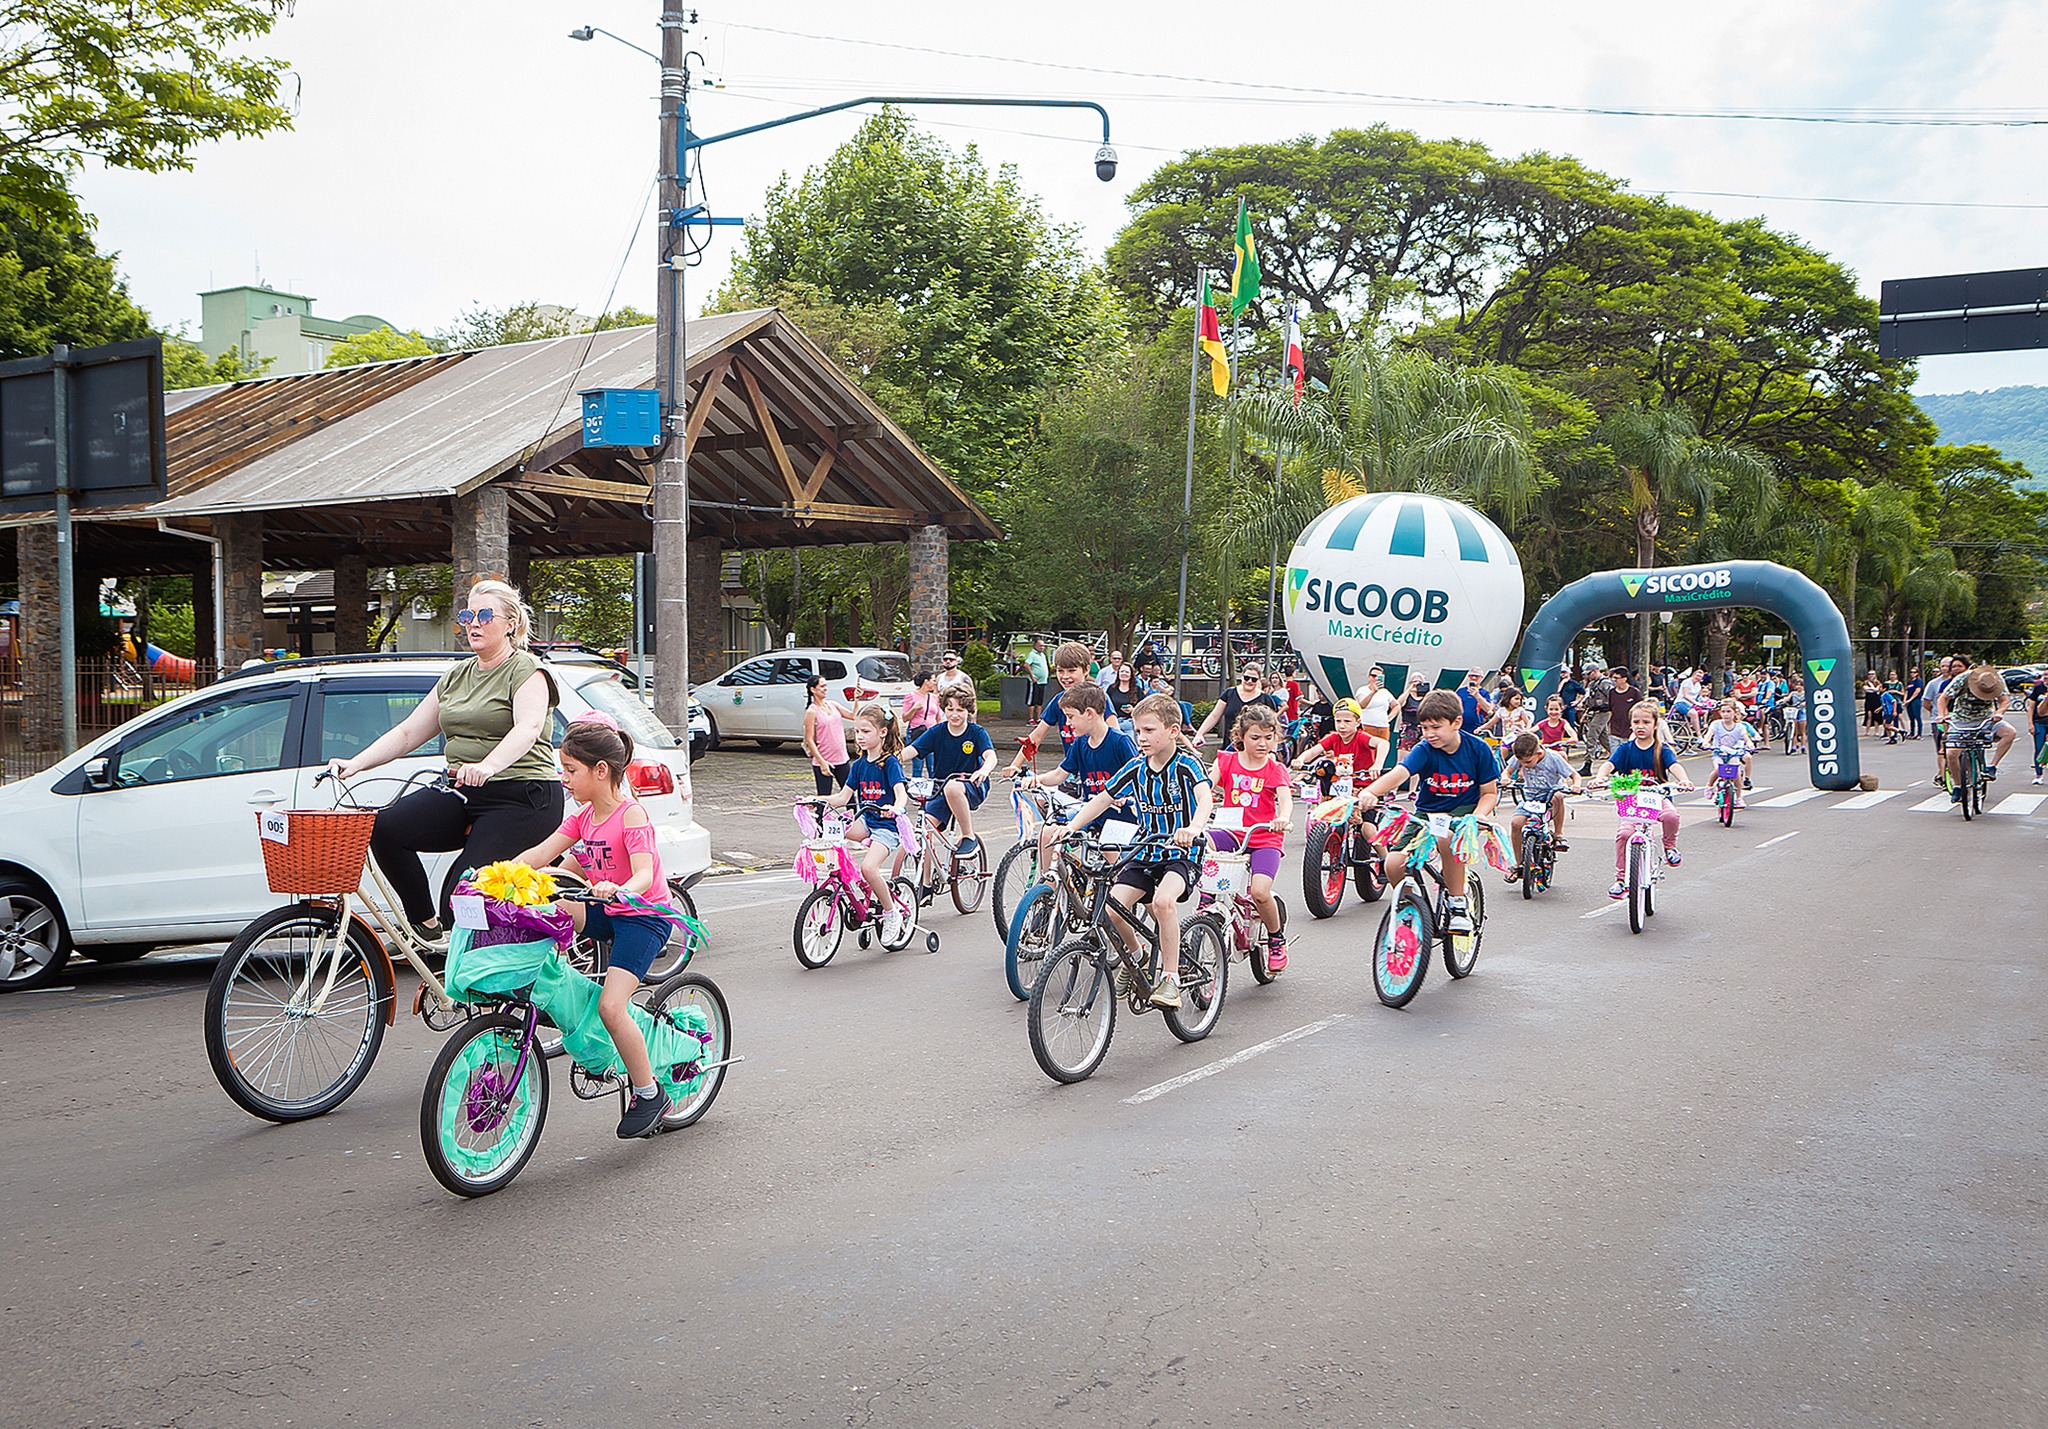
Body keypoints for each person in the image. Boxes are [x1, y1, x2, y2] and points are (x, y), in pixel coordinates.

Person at [330, 578, 562, 937]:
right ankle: (426, 929)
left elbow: (528, 728)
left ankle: (471, 977)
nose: (473, 623)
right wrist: (355, 763)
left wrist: (488, 765)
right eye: (468, 614)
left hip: (522, 796)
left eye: (485, 615)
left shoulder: (527, 670)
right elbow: (408, 733)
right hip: (463, 790)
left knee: (462, 893)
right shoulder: (456, 676)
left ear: (511, 623)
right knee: (385, 828)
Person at [510, 714, 675, 1138]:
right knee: (552, 906)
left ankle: (649, 1093)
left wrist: (616, 888)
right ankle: (554, 979)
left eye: (570, 770)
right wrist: (499, 874)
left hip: (642, 917)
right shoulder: (584, 817)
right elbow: (541, 853)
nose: (562, 778)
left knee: (611, 1007)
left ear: (600, 771)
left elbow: (642, 874)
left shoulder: (631, 815)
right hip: (607, 909)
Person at [1053, 693, 1214, 1009]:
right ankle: (1138, 957)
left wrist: (1193, 828)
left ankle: (1170, 979)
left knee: (1163, 901)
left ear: (1172, 730)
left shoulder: (1187, 764)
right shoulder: (1136, 767)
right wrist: (1071, 828)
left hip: (1181, 853)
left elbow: (1204, 798)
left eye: (1149, 730)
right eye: (1138, 731)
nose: (1141, 738)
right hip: (1146, 850)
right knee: (1112, 910)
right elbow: (1102, 799)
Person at [1355, 689, 1499, 935]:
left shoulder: (1478, 749)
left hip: (1463, 813)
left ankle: (1457, 903)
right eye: (1424, 728)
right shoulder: (1424, 749)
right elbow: (1401, 772)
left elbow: (1489, 793)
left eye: (1436, 727)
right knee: (1393, 863)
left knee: (1447, 839)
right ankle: (1411, 908)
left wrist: (1480, 815)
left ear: (1457, 723)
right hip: (1427, 814)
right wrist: (1370, 792)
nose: (1429, 734)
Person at [1017, 683, 1139, 873]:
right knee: (1048, 832)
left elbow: (1140, 779)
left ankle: (1120, 889)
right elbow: (1059, 774)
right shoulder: (1080, 743)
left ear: (1089, 713)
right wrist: (1037, 780)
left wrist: (1126, 798)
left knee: (1111, 854)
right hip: (1089, 809)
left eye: (1071, 717)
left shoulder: (1120, 742)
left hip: (1118, 813)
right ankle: (1047, 887)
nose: (1068, 723)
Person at [1208, 703, 1294, 972]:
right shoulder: (1226, 760)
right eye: (1255, 737)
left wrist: (1283, 818)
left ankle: (1276, 939)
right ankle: (1207, 903)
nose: (1263, 743)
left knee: (1259, 891)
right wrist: (1199, 804)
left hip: (1264, 836)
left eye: (1269, 738)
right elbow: (1204, 787)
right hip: (1230, 832)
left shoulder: (1275, 768)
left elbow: (1286, 801)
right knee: (1203, 843)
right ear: (1241, 737)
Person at [824, 702, 912, 942]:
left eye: (865, 732)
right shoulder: (860, 765)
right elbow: (843, 797)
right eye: (857, 732)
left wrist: (896, 807)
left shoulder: (889, 763)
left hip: (887, 828)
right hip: (866, 822)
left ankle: (891, 912)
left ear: (882, 732)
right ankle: (854, 888)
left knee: (869, 868)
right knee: (832, 832)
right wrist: (815, 800)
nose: (859, 737)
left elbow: (901, 793)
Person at [1595, 701, 1694, 898]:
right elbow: (1608, 765)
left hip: (1657, 797)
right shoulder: (1625, 749)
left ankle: (1670, 847)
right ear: (1631, 724)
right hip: (1631, 801)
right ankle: (1621, 879)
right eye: (1636, 722)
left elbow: (1674, 766)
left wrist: (1683, 780)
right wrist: (1600, 778)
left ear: (1655, 724)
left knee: (1671, 816)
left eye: (1646, 722)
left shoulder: (1662, 749)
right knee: (1624, 834)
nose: (1641, 726)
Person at [909, 683, 996, 862]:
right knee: (924, 829)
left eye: (960, 710)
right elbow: (912, 750)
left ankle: (968, 836)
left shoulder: (976, 732)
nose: (954, 714)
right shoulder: (937, 731)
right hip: (941, 788)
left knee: (953, 787)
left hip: (972, 785)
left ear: (968, 711)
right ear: (943, 710)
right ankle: (925, 884)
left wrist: (984, 770)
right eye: (950, 709)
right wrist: (887, 759)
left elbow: (990, 756)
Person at [1005, 640, 1095, 776]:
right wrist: (1015, 765)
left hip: (1098, 771)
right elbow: (1037, 735)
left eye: (1071, 671)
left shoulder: (1098, 698)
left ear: (1086, 670)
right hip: (1071, 771)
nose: (1065, 676)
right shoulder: (1058, 701)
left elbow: (1114, 734)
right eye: (1060, 671)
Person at [1936, 664, 2019, 798]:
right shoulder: (1963, 678)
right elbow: (1943, 698)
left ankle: (1992, 766)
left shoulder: (1997, 680)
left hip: (1986, 719)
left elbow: (2004, 701)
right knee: (1951, 752)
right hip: (1961, 720)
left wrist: (1999, 712)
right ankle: (1957, 786)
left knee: (2010, 733)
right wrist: (1941, 715)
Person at [1504, 731, 1578, 877]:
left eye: (1527, 762)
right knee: (1516, 824)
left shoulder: (1553, 758)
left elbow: (1575, 775)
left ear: (1538, 753)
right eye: (1522, 763)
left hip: (1549, 796)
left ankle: (1558, 834)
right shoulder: (1522, 756)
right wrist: (1505, 778)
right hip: (1530, 798)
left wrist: (1575, 785)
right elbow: (1507, 771)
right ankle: (1518, 864)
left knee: (1558, 796)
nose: (1525, 766)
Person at [1290, 698, 1383, 796]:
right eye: (1338, 721)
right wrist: (1300, 759)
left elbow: (1383, 744)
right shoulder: (1334, 738)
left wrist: (1377, 765)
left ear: (1358, 722)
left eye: (1347, 721)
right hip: (1341, 787)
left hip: (1365, 786)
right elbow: (1313, 752)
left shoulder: (1361, 737)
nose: (1342, 726)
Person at [1192, 661, 1281, 750]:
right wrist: (1200, 734)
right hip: (1230, 746)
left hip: (1256, 749)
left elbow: (1274, 727)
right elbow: (1214, 716)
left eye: (1253, 679)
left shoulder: (1265, 699)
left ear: (1259, 680)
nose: (1249, 681)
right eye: (1246, 678)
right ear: (1242, 676)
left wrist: (1273, 751)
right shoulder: (1229, 693)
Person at [803, 674, 857, 796]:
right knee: (824, 797)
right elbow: (809, 739)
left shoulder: (833, 705)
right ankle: (819, 815)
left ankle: (852, 815)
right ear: (813, 689)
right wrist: (822, 762)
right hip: (825, 759)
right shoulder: (811, 711)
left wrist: (856, 699)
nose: (825, 689)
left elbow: (853, 716)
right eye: (822, 686)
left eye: (826, 686)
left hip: (842, 758)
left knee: (849, 795)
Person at [1703, 698, 1759, 803]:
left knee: (1736, 772)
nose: (1726, 714)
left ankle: (1738, 798)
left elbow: (1746, 739)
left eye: (1729, 711)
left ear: (1735, 712)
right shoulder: (1716, 724)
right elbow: (1708, 735)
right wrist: (1706, 743)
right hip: (1719, 753)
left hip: (1734, 753)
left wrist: (1750, 745)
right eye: (1723, 712)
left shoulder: (1740, 727)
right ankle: (1709, 786)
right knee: (1719, 769)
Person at [1356, 666, 1397, 774]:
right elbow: (1362, 705)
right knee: (1367, 753)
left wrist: (1389, 718)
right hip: (1368, 726)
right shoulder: (1363, 690)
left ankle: (1377, 775)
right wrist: (1373, 692)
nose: (1375, 678)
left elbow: (1396, 705)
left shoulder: (1385, 692)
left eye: (1379, 677)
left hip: (1383, 727)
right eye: (1374, 676)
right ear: (1369, 677)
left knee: (1381, 754)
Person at [1605, 667, 1642, 762]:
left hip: (1629, 731)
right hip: (1615, 730)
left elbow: (1640, 709)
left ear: (1624, 679)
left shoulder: (1634, 692)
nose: (1615, 681)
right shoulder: (1612, 693)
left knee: (1629, 758)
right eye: (1613, 678)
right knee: (1615, 757)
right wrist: (1608, 727)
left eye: (1617, 678)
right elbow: (1610, 710)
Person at [901, 668, 942, 740]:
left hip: (933, 733)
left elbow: (938, 718)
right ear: (926, 681)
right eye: (933, 680)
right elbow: (905, 718)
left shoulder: (934, 697)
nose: (935, 683)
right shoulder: (911, 696)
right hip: (918, 732)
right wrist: (914, 708)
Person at [1022, 636, 1050, 725]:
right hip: (1034, 681)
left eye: (1043, 646)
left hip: (1042, 681)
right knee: (1032, 701)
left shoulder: (1043, 655)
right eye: (1040, 646)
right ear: (1035, 646)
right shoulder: (1032, 654)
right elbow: (1026, 665)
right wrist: (1032, 676)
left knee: (1039, 701)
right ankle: (1030, 719)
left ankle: (1038, 718)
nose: (1042, 647)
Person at [2028, 671, 2048, 785]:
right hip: (2039, 722)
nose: (2046, 678)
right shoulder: (2038, 689)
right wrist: (2030, 724)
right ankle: (2038, 774)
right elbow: (2031, 707)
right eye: (2045, 676)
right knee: (2039, 748)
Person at [1903, 669, 1925, 741]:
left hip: (1916, 700)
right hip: (1909, 701)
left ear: (1917, 673)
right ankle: (1912, 733)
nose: (1912, 673)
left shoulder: (1918, 681)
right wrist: (1905, 700)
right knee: (1911, 717)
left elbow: (1917, 691)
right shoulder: (1910, 682)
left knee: (1917, 716)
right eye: (1911, 672)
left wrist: (1910, 699)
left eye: (1914, 672)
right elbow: (1907, 691)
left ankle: (1919, 733)